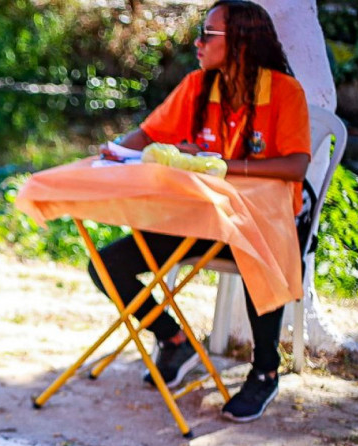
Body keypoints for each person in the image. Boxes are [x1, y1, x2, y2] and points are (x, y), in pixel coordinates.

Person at [92, 0, 311, 422]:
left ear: (242, 43)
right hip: (195, 221)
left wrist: (224, 164)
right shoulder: (198, 86)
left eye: (208, 34)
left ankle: (265, 370)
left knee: (258, 254)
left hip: (258, 227)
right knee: (105, 265)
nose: (197, 42)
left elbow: (296, 165)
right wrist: (115, 151)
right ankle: (174, 340)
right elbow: (149, 134)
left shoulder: (284, 91)